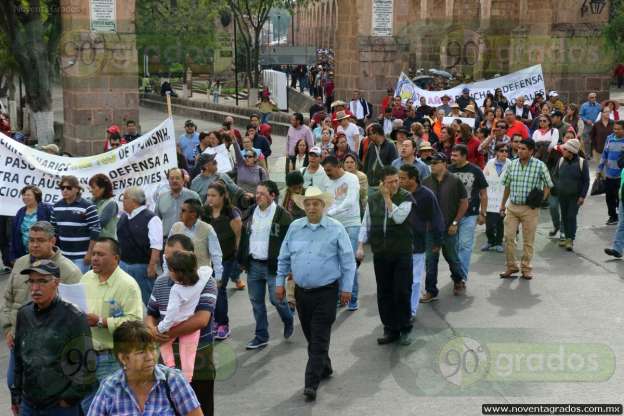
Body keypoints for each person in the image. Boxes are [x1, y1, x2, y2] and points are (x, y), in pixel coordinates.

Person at [276, 186, 355, 401]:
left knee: (319, 337)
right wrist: (279, 283)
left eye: (316, 203)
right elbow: (283, 256)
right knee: (312, 336)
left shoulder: (336, 228)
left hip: (327, 292)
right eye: (308, 203)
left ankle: (311, 383)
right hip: (302, 293)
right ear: (304, 206)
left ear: (323, 206)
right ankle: (325, 366)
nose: (311, 207)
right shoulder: (295, 227)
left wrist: (347, 288)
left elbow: (348, 262)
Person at [2, 221, 83, 410]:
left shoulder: (69, 271)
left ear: (52, 240)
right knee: (15, 383)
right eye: (31, 240)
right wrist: (8, 328)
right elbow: (7, 299)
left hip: (54, 348)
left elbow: (78, 313)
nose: (34, 245)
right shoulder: (21, 263)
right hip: (20, 340)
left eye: (40, 240)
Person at [146, 235, 217, 415]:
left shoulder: (205, 281)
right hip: (166, 358)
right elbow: (151, 314)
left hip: (199, 356)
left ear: (190, 255)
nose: (171, 262)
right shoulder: (162, 282)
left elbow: (202, 319)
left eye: (176, 255)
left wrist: (166, 333)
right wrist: (151, 330)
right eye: (167, 257)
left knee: (200, 407)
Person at [13, 260, 96, 415]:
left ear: (56, 283)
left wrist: (69, 399)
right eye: (31, 281)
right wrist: (16, 395)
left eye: (42, 281)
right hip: (29, 404)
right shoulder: (24, 314)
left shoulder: (74, 317)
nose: (35, 288)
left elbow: (87, 364)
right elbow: (18, 358)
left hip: (59, 406)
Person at [80, 237, 144, 413]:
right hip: (86, 356)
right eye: (93, 253)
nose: (94, 258)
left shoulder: (127, 285)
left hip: (112, 359)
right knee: (87, 407)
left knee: (112, 408)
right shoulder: (86, 278)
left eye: (101, 254)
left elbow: (135, 321)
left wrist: (102, 321)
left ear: (116, 258)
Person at [87, 320, 203, 416]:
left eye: (153, 349)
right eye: (141, 352)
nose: (150, 357)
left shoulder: (173, 380)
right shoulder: (110, 387)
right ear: (124, 358)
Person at [356, 166, 414, 345]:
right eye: (390, 182)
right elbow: (366, 222)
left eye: (397, 180)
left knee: (402, 291)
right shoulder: (373, 199)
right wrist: (360, 246)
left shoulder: (406, 197)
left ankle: (404, 327)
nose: (395, 184)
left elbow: (398, 218)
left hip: (402, 252)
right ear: (382, 183)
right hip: (381, 253)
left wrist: (388, 198)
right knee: (384, 291)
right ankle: (390, 328)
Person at [238, 181, 294, 350]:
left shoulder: (283, 216)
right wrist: (241, 260)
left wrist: (290, 268)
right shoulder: (250, 213)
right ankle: (261, 336)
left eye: (262, 193)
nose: (258, 196)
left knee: (276, 300)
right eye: (257, 193)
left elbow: (290, 243)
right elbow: (244, 238)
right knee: (256, 303)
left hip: (274, 267)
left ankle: (288, 318)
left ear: (272, 195)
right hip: (253, 265)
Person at [499, 138, 553, 280]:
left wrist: (541, 199)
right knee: (508, 237)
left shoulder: (539, 165)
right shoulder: (512, 165)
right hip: (512, 207)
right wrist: (502, 205)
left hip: (530, 209)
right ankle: (511, 267)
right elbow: (507, 186)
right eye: (518, 148)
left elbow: (548, 184)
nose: (519, 151)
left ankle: (526, 268)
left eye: (523, 149)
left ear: (531, 151)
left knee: (528, 240)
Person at [421, 153, 468, 302]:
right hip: (430, 230)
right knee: (430, 260)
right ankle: (431, 290)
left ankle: (458, 279)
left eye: (435, 162)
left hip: (449, 229)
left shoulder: (455, 181)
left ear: (444, 164)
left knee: (452, 258)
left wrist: (455, 222)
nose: (432, 165)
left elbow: (464, 202)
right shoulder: (426, 181)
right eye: (431, 163)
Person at [157, 252, 212, 383]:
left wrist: (161, 327)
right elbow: (208, 269)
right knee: (188, 357)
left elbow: (171, 313)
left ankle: (170, 368)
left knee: (163, 343)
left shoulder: (176, 289)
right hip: (191, 324)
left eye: (170, 270)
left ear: (177, 273)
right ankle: (186, 381)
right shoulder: (202, 279)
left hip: (174, 323)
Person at [398, 164, 444, 319]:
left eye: (403, 178)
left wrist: (437, 242)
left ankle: (411, 310)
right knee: (400, 280)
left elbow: (437, 218)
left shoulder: (427, 195)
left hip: (418, 243)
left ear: (413, 179)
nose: (400, 181)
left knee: (415, 280)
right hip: (398, 243)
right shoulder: (397, 193)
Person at [202, 182, 243, 340]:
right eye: (208, 195)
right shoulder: (205, 212)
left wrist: (237, 259)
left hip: (226, 259)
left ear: (223, 196)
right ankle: (213, 321)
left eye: (213, 195)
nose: (210, 198)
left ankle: (223, 324)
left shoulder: (232, 214)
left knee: (219, 289)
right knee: (208, 290)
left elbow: (239, 238)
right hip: (208, 259)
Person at [321, 156, 361, 310]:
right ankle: (340, 296)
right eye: (325, 170)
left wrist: (331, 213)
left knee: (348, 263)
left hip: (351, 224)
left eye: (329, 170)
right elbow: (325, 201)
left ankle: (352, 297)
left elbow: (350, 201)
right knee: (335, 262)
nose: (327, 173)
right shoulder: (326, 181)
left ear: (338, 166)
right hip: (333, 226)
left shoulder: (351, 179)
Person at [117, 186, 163, 305]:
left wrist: (152, 266)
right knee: (125, 300)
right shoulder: (123, 217)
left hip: (142, 266)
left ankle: (152, 322)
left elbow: (156, 245)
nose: (122, 201)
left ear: (134, 200)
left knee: (147, 300)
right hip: (123, 264)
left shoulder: (152, 218)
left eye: (125, 198)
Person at [448, 144, 488, 278]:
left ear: (464, 156)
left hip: (470, 214)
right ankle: (456, 272)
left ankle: (460, 277)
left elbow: (483, 194)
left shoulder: (476, 170)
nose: (452, 158)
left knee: (465, 246)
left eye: (455, 155)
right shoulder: (448, 170)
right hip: (452, 215)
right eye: (451, 155)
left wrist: (483, 213)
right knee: (453, 247)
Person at [50, 175, 101, 273]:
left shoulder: (88, 206)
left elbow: (95, 230)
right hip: (63, 256)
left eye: (68, 188)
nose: (65, 190)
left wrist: (90, 254)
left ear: (77, 189)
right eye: (62, 188)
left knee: (79, 285)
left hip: (81, 257)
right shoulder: (56, 207)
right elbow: (53, 231)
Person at [552, 139, 589, 251]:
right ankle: (567, 237)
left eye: (565, 149)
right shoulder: (561, 161)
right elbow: (555, 175)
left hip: (575, 197)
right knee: (564, 216)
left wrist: (582, 196)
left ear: (571, 151)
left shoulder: (582, 163)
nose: (563, 150)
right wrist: (558, 186)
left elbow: (586, 181)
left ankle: (570, 239)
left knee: (571, 217)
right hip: (562, 196)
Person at [9, 186, 52, 263]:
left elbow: (53, 231)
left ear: (36, 196)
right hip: (23, 253)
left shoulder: (47, 209)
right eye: (23, 195)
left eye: (28, 195)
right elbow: (14, 235)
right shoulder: (20, 212)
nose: (25, 197)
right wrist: (13, 256)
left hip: (42, 253)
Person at [156, 169, 201, 238]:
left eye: (177, 178)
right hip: (167, 242)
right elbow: (157, 221)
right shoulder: (161, 198)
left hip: (188, 241)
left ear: (183, 180)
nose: (174, 180)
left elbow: (200, 219)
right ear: (168, 180)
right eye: (171, 178)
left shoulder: (193, 196)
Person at [482, 143, 510, 252]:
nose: (504, 153)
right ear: (496, 152)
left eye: (506, 151)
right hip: (490, 198)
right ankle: (490, 241)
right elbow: (484, 177)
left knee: (500, 222)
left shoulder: (510, 164)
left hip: (504, 198)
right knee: (489, 224)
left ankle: (498, 242)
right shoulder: (490, 163)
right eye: (501, 150)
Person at [597, 120, 624, 225]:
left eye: (618, 129)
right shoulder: (609, 138)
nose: (615, 131)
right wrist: (599, 169)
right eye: (614, 129)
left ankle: (620, 216)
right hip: (609, 174)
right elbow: (604, 154)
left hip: (621, 176)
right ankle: (613, 217)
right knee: (609, 197)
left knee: (619, 198)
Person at [88, 174, 118, 240]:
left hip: (106, 245)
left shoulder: (111, 203)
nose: (90, 190)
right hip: (93, 242)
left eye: (93, 187)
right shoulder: (91, 202)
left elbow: (99, 224)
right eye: (90, 187)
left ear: (103, 188)